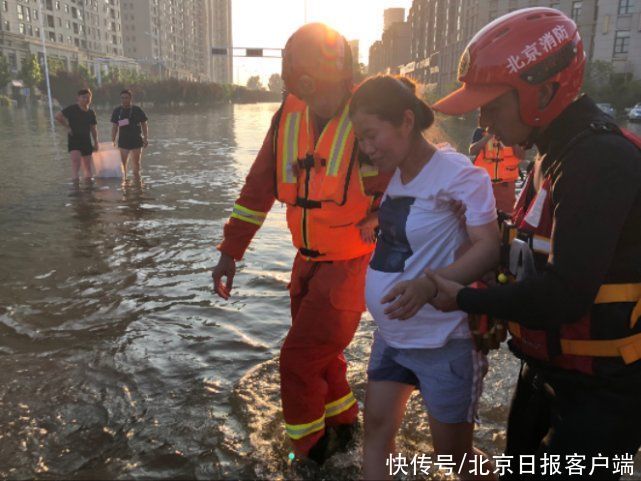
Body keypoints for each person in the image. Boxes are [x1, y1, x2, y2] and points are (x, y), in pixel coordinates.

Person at [428, 7, 641, 480]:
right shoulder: (554, 154)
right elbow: (533, 254)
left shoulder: (600, 160)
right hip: (549, 375)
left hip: (602, 392)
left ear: (545, 91)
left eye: (492, 105)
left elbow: (566, 293)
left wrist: (462, 297)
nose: (482, 119)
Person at [211, 23, 392, 463]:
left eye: (319, 91)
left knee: (297, 360)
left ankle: (308, 458)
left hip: (348, 268)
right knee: (322, 359)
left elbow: (412, 179)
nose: (315, 101)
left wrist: (384, 214)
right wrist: (229, 252)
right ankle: (345, 428)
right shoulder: (288, 114)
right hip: (306, 265)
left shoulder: (370, 113)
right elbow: (258, 189)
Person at [349, 75, 499, 481]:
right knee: (377, 431)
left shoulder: (457, 173)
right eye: (360, 139)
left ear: (405, 121)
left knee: (454, 458)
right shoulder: (396, 175)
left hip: (443, 340)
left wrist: (430, 284)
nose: (366, 148)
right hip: (393, 339)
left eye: (371, 135)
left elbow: (488, 245)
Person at [469, 127, 524, 215]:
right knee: (481, 217)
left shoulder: (514, 133)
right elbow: (472, 151)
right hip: (483, 186)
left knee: (507, 217)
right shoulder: (481, 132)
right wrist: (489, 136)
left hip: (506, 187)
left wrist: (509, 140)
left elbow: (521, 156)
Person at [55, 89, 98, 182]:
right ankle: (76, 187)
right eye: (83, 97)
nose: (86, 99)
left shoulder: (91, 112)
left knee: (87, 166)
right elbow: (58, 116)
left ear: (91, 98)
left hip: (86, 140)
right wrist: (67, 127)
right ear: (78, 98)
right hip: (74, 139)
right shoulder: (72, 108)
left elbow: (93, 129)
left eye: (88, 97)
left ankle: (88, 187)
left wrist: (96, 142)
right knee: (76, 163)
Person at [110, 89, 149, 179]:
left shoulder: (137, 109)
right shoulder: (117, 111)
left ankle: (137, 182)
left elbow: (144, 123)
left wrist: (146, 138)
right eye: (122, 98)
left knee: (136, 163)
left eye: (126, 98)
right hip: (123, 141)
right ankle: (125, 183)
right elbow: (114, 127)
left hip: (136, 140)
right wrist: (112, 141)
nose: (124, 100)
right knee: (122, 164)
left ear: (131, 98)